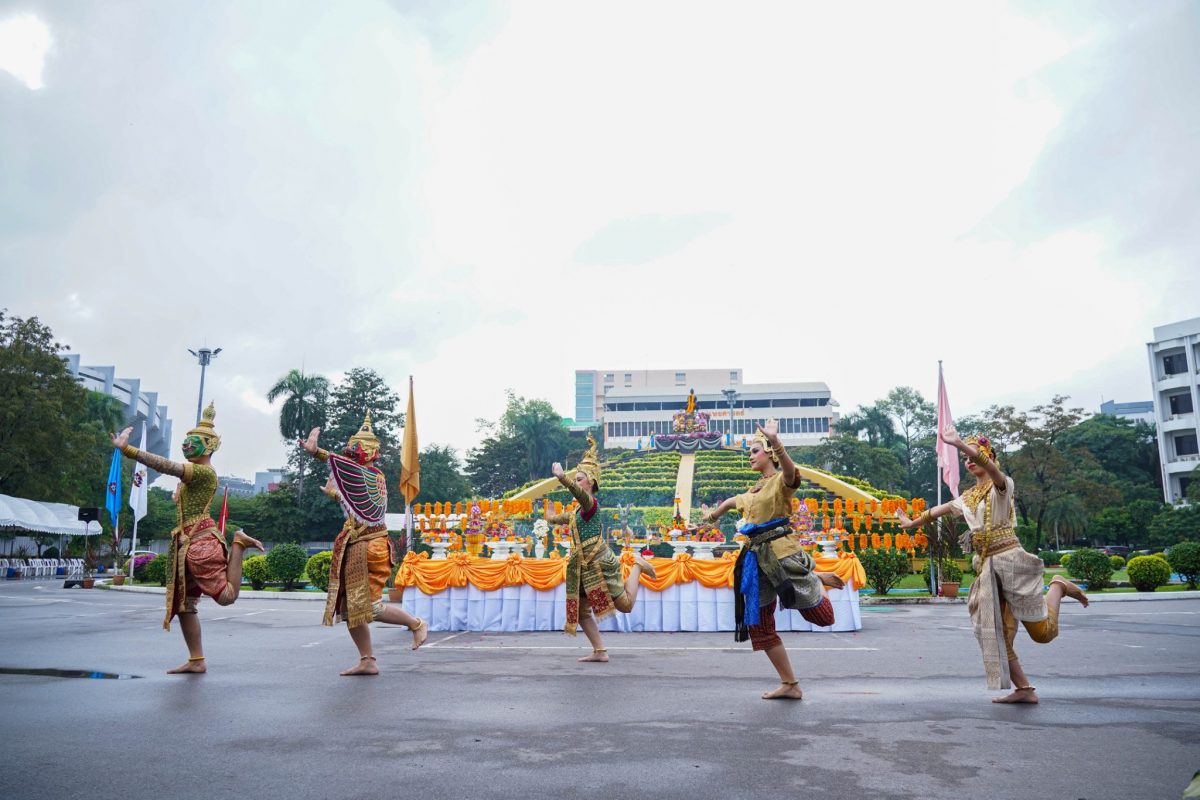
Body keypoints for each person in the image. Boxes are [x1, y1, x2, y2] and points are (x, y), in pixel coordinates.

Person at [897, 428, 1088, 703]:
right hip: (986, 567)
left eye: (975, 454)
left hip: (1012, 561)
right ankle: (1024, 689)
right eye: (966, 458)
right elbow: (937, 511)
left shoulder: (1002, 485)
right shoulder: (968, 498)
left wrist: (961, 444)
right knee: (991, 631)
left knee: (1042, 634)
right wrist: (911, 523)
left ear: (990, 456)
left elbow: (991, 469)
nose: (969, 460)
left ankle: (1057, 586)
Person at [111, 403, 263, 674]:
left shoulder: (203, 471)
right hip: (185, 542)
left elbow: (166, 465)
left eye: (193, 442)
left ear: (209, 445)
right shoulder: (193, 477)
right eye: (186, 441)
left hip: (201, 542)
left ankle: (239, 543)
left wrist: (128, 449)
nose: (187, 445)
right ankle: (197, 660)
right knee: (184, 605)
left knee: (226, 597)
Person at [702, 420, 844, 700]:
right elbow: (732, 501)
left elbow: (792, 474)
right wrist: (712, 516)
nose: (750, 455)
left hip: (784, 556)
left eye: (755, 451)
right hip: (756, 562)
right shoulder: (753, 491)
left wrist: (778, 443)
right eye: (750, 452)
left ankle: (816, 578)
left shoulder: (780, 482)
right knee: (760, 626)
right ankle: (790, 683)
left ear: (768, 452)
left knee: (823, 617)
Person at [300, 413, 427, 676]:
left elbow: (352, 477)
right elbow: (357, 506)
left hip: (372, 547)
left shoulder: (372, 474)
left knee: (370, 607)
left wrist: (318, 453)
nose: (349, 452)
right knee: (350, 609)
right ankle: (367, 660)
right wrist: (334, 494)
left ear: (370, 452)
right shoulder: (357, 477)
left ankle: (415, 624)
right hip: (356, 545)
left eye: (354, 448)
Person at [546, 434, 657, 662]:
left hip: (600, 565)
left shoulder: (591, 505)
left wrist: (562, 478)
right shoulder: (578, 512)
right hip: (583, 569)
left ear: (591, 483)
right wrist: (549, 517)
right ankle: (600, 651)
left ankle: (637, 566)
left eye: (579, 479)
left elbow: (579, 496)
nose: (576, 482)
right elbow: (562, 518)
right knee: (581, 612)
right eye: (575, 479)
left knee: (625, 606)